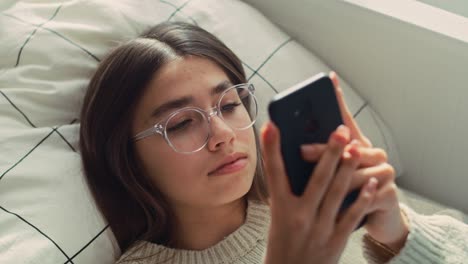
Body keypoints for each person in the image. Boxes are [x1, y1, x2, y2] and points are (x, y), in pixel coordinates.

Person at [79, 21, 468, 264]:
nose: (223, 135)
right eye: (181, 124)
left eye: (229, 104)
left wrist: (400, 237)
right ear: (126, 157)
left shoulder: (317, 202)